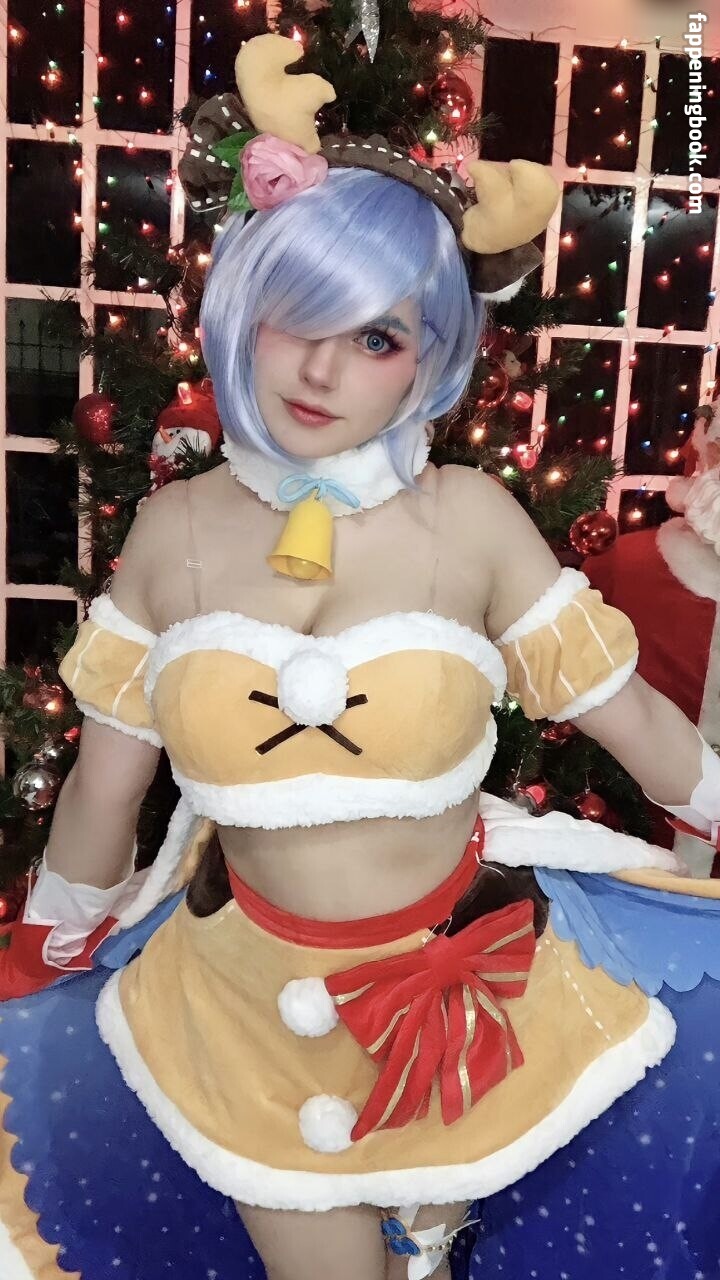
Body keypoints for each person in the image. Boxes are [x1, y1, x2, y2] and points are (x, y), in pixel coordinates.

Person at [0, 33, 718, 1280]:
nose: (324, 369)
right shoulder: (173, 532)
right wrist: (47, 939)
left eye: (378, 337)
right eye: (297, 317)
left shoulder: (474, 519)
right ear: (245, 306)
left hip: (476, 998)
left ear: (433, 353)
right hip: (245, 1016)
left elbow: (640, 726)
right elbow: (108, 788)